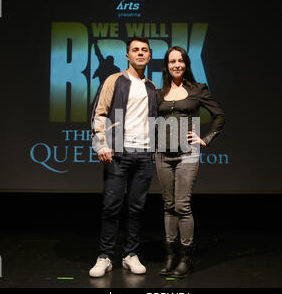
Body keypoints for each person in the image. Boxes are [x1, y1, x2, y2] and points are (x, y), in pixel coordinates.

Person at [89, 36, 158, 278]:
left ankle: (130, 254)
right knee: (111, 207)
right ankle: (105, 257)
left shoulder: (152, 87)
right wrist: (101, 145)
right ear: (127, 55)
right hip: (118, 153)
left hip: (144, 155)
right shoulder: (115, 80)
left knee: (137, 208)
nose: (140, 53)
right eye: (135, 50)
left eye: (144, 50)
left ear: (149, 56)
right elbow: (99, 112)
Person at [155, 46, 225, 278]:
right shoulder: (158, 92)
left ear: (186, 64)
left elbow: (219, 115)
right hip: (162, 154)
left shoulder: (197, 89)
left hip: (188, 154)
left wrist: (205, 139)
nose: (176, 64)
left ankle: (186, 258)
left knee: (182, 206)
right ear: (166, 65)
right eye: (172, 61)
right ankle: (170, 255)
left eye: (180, 61)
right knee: (168, 205)